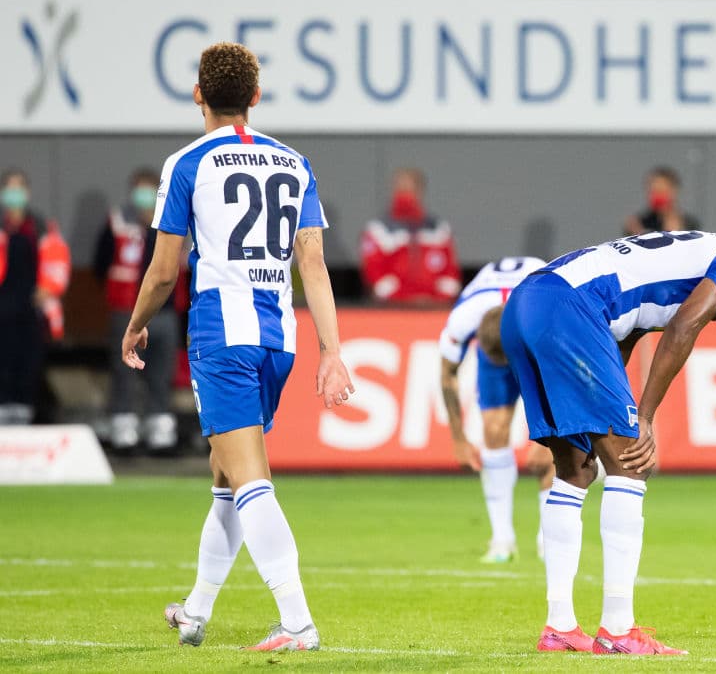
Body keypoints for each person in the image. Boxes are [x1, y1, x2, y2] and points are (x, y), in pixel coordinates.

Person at [120, 42, 354, 652]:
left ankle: (298, 622)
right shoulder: (294, 163)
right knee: (226, 473)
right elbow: (315, 266)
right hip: (280, 338)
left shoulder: (187, 164)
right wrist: (332, 350)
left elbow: (164, 271)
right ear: (255, 96)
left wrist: (135, 323)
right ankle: (196, 610)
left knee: (249, 479)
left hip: (222, 337)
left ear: (198, 94)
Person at [501, 230, 716, 655]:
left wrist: (602, 412)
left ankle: (559, 624)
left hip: (526, 304)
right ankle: (618, 630)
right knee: (632, 464)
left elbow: (624, 334)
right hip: (569, 308)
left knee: (576, 469)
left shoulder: (681, 265)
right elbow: (684, 326)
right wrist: (645, 417)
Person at [439, 256, 555, 563]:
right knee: (493, 429)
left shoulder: (546, 308)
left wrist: (557, 433)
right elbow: (447, 374)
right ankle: (502, 540)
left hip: (537, 350)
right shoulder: (464, 318)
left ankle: (550, 539)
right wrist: (459, 439)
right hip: (508, 342)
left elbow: (568, 367)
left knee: (550, 452)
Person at [94, 168, 184, 451]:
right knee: (125, 372)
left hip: (165, 313)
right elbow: (101, 265)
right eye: (140, 189)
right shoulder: (118, 222)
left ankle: (159, 431)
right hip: (128, 311)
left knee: (161, 372)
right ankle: (124, 429)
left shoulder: (173, 220)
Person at [360, 168, 462, 303]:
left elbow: (451, 272)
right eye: (401, 189)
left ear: (420, 191)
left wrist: (438, 297)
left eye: (410, 190)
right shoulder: (378, 230)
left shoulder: (439, 229)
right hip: (393, 308)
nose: (405, 195)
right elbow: (374, 274)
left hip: (435, 306)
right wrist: (402, 298)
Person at [0, 169, 49, 425]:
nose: (14, 194)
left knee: (27, 365)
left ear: (27, 193)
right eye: (9, 188)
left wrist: (47, 287)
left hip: (29, 308)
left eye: (19, 188)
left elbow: (55, 262)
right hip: (2, 306)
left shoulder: (39, 226)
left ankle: (23, 419)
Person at [623, 166, 701, 236]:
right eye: (653, 192)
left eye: (661, 191)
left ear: (673, 191)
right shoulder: (639, 222)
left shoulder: (688, 223)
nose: (657, 196)